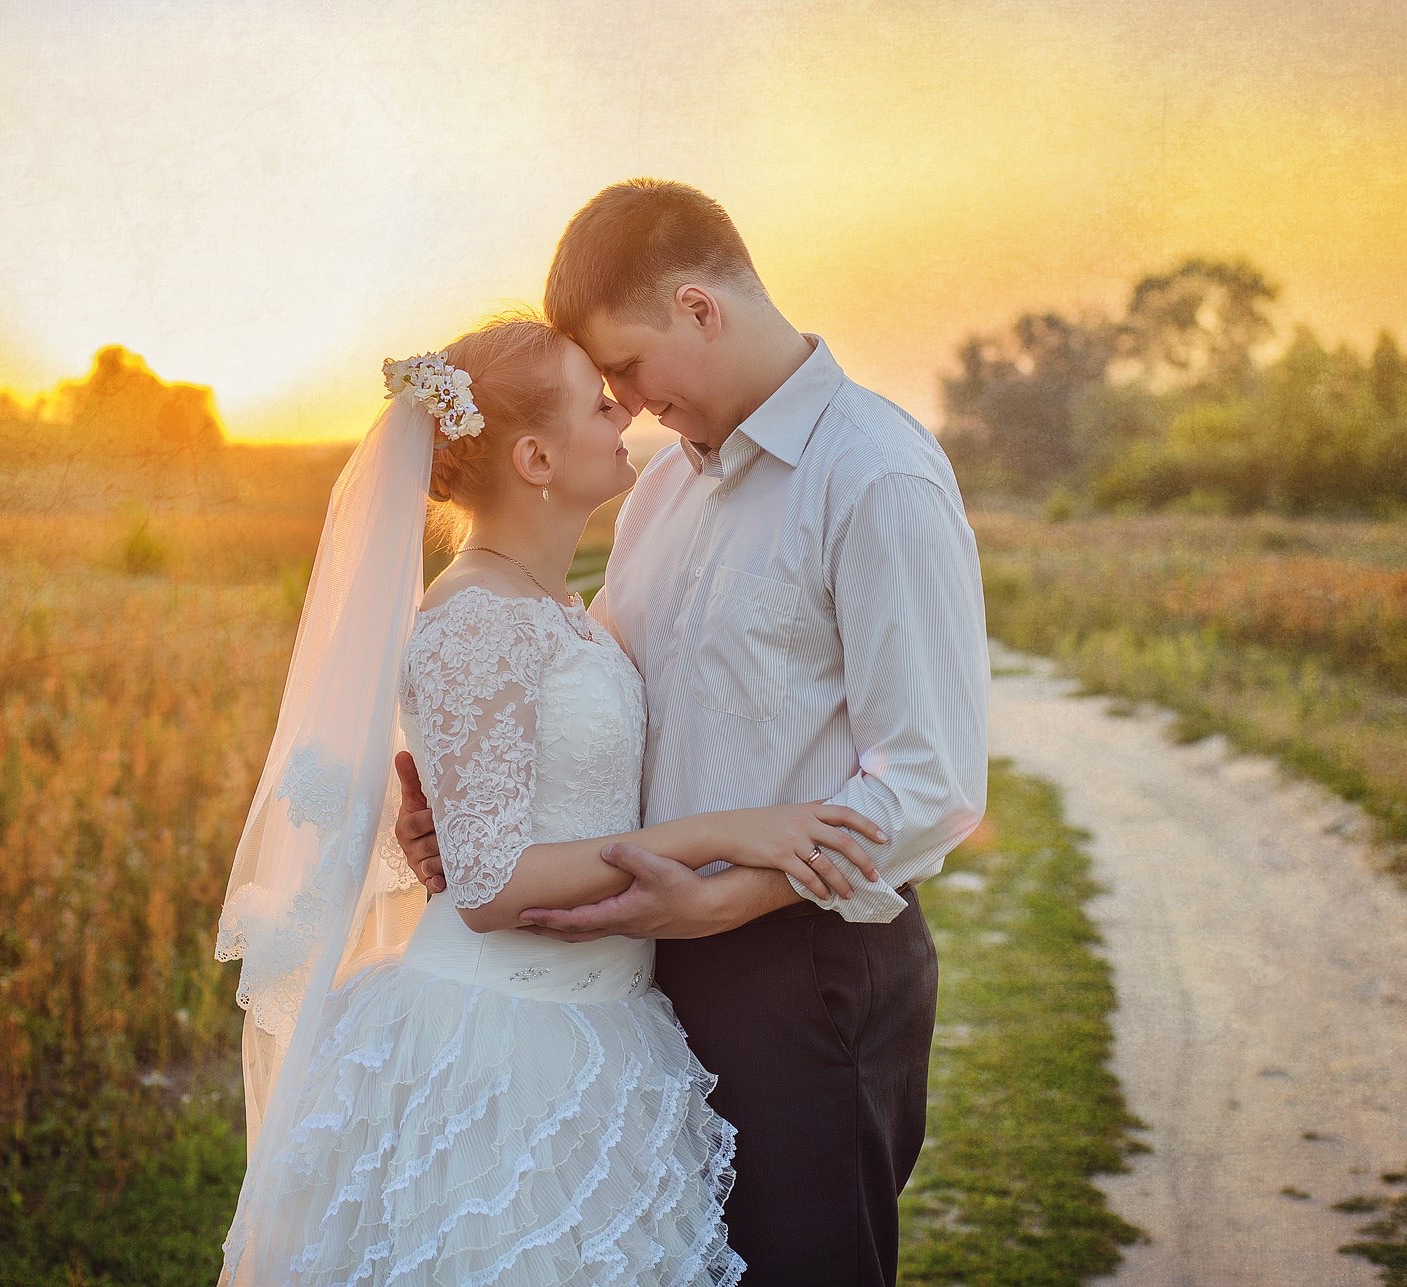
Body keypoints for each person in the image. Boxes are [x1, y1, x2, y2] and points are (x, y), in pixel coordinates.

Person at [395, 180, 991, 1286]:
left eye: (622, 367)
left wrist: (734, 894)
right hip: (638, 972)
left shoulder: (873, 476)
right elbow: (595, 687)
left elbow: (932, 778)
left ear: (697, 308)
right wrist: (462, 801)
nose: (620, 403)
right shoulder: (664, 487)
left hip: (805, 967)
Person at [214, 313, 891, 1285]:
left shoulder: (553, 605)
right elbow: (487, 889)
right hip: (495, 1054)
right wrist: (739, 832)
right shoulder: (471, 621)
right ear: (534, 456)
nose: (621, 409)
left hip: (602, 1025)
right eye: (594, 401)